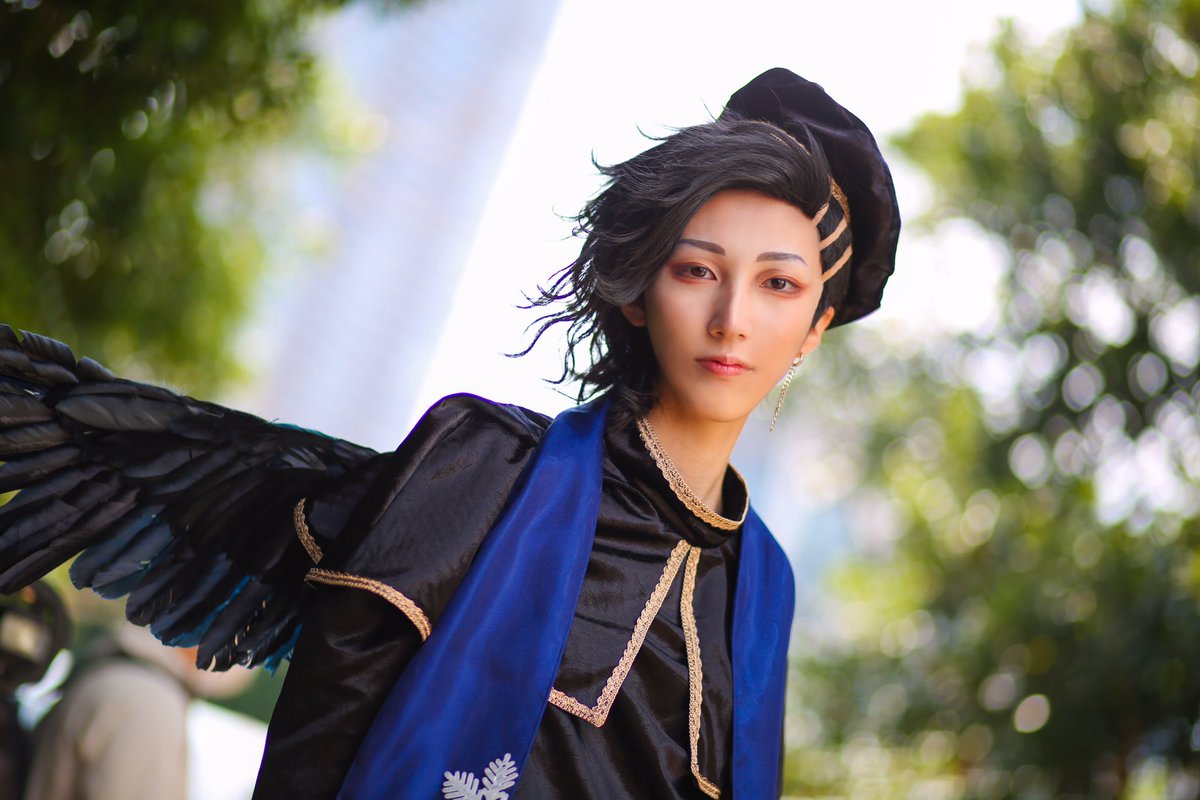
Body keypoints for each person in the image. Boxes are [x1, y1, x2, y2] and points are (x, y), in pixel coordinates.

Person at [0, 68, 899, 799]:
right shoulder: (487, 466)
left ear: (815, 328)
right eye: (698, 270)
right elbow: (320, 742)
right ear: (636, 289)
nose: (733, 319)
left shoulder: (763, 587)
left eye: (780, 285)